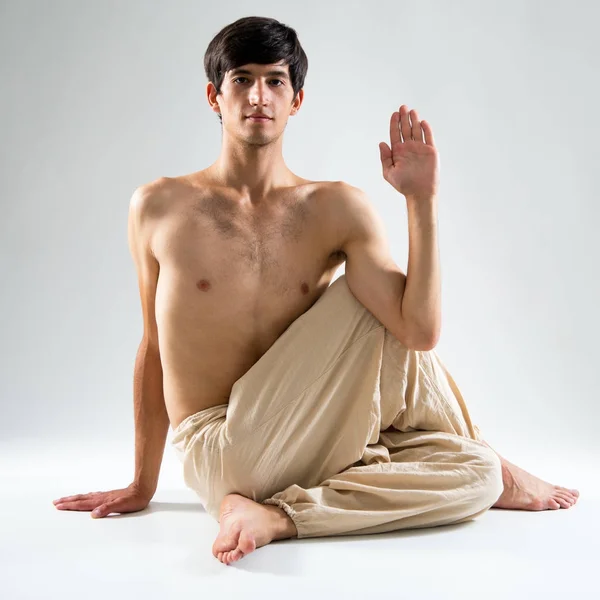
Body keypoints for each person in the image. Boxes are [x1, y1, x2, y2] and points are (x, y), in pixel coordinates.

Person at [52, 16, 579, 566]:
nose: (259, 95)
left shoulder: (334, 209)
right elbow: (154, 345)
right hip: (221, 448)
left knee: (476, 476)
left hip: (315, 439)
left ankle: (279, 515)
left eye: (276, 81)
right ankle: (493, 465)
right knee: (366, 299)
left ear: (296, 100)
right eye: (242, 79)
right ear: (215, 95)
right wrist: (143, 484)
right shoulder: (159, 206)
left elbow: (419, 334)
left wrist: (421, 203)